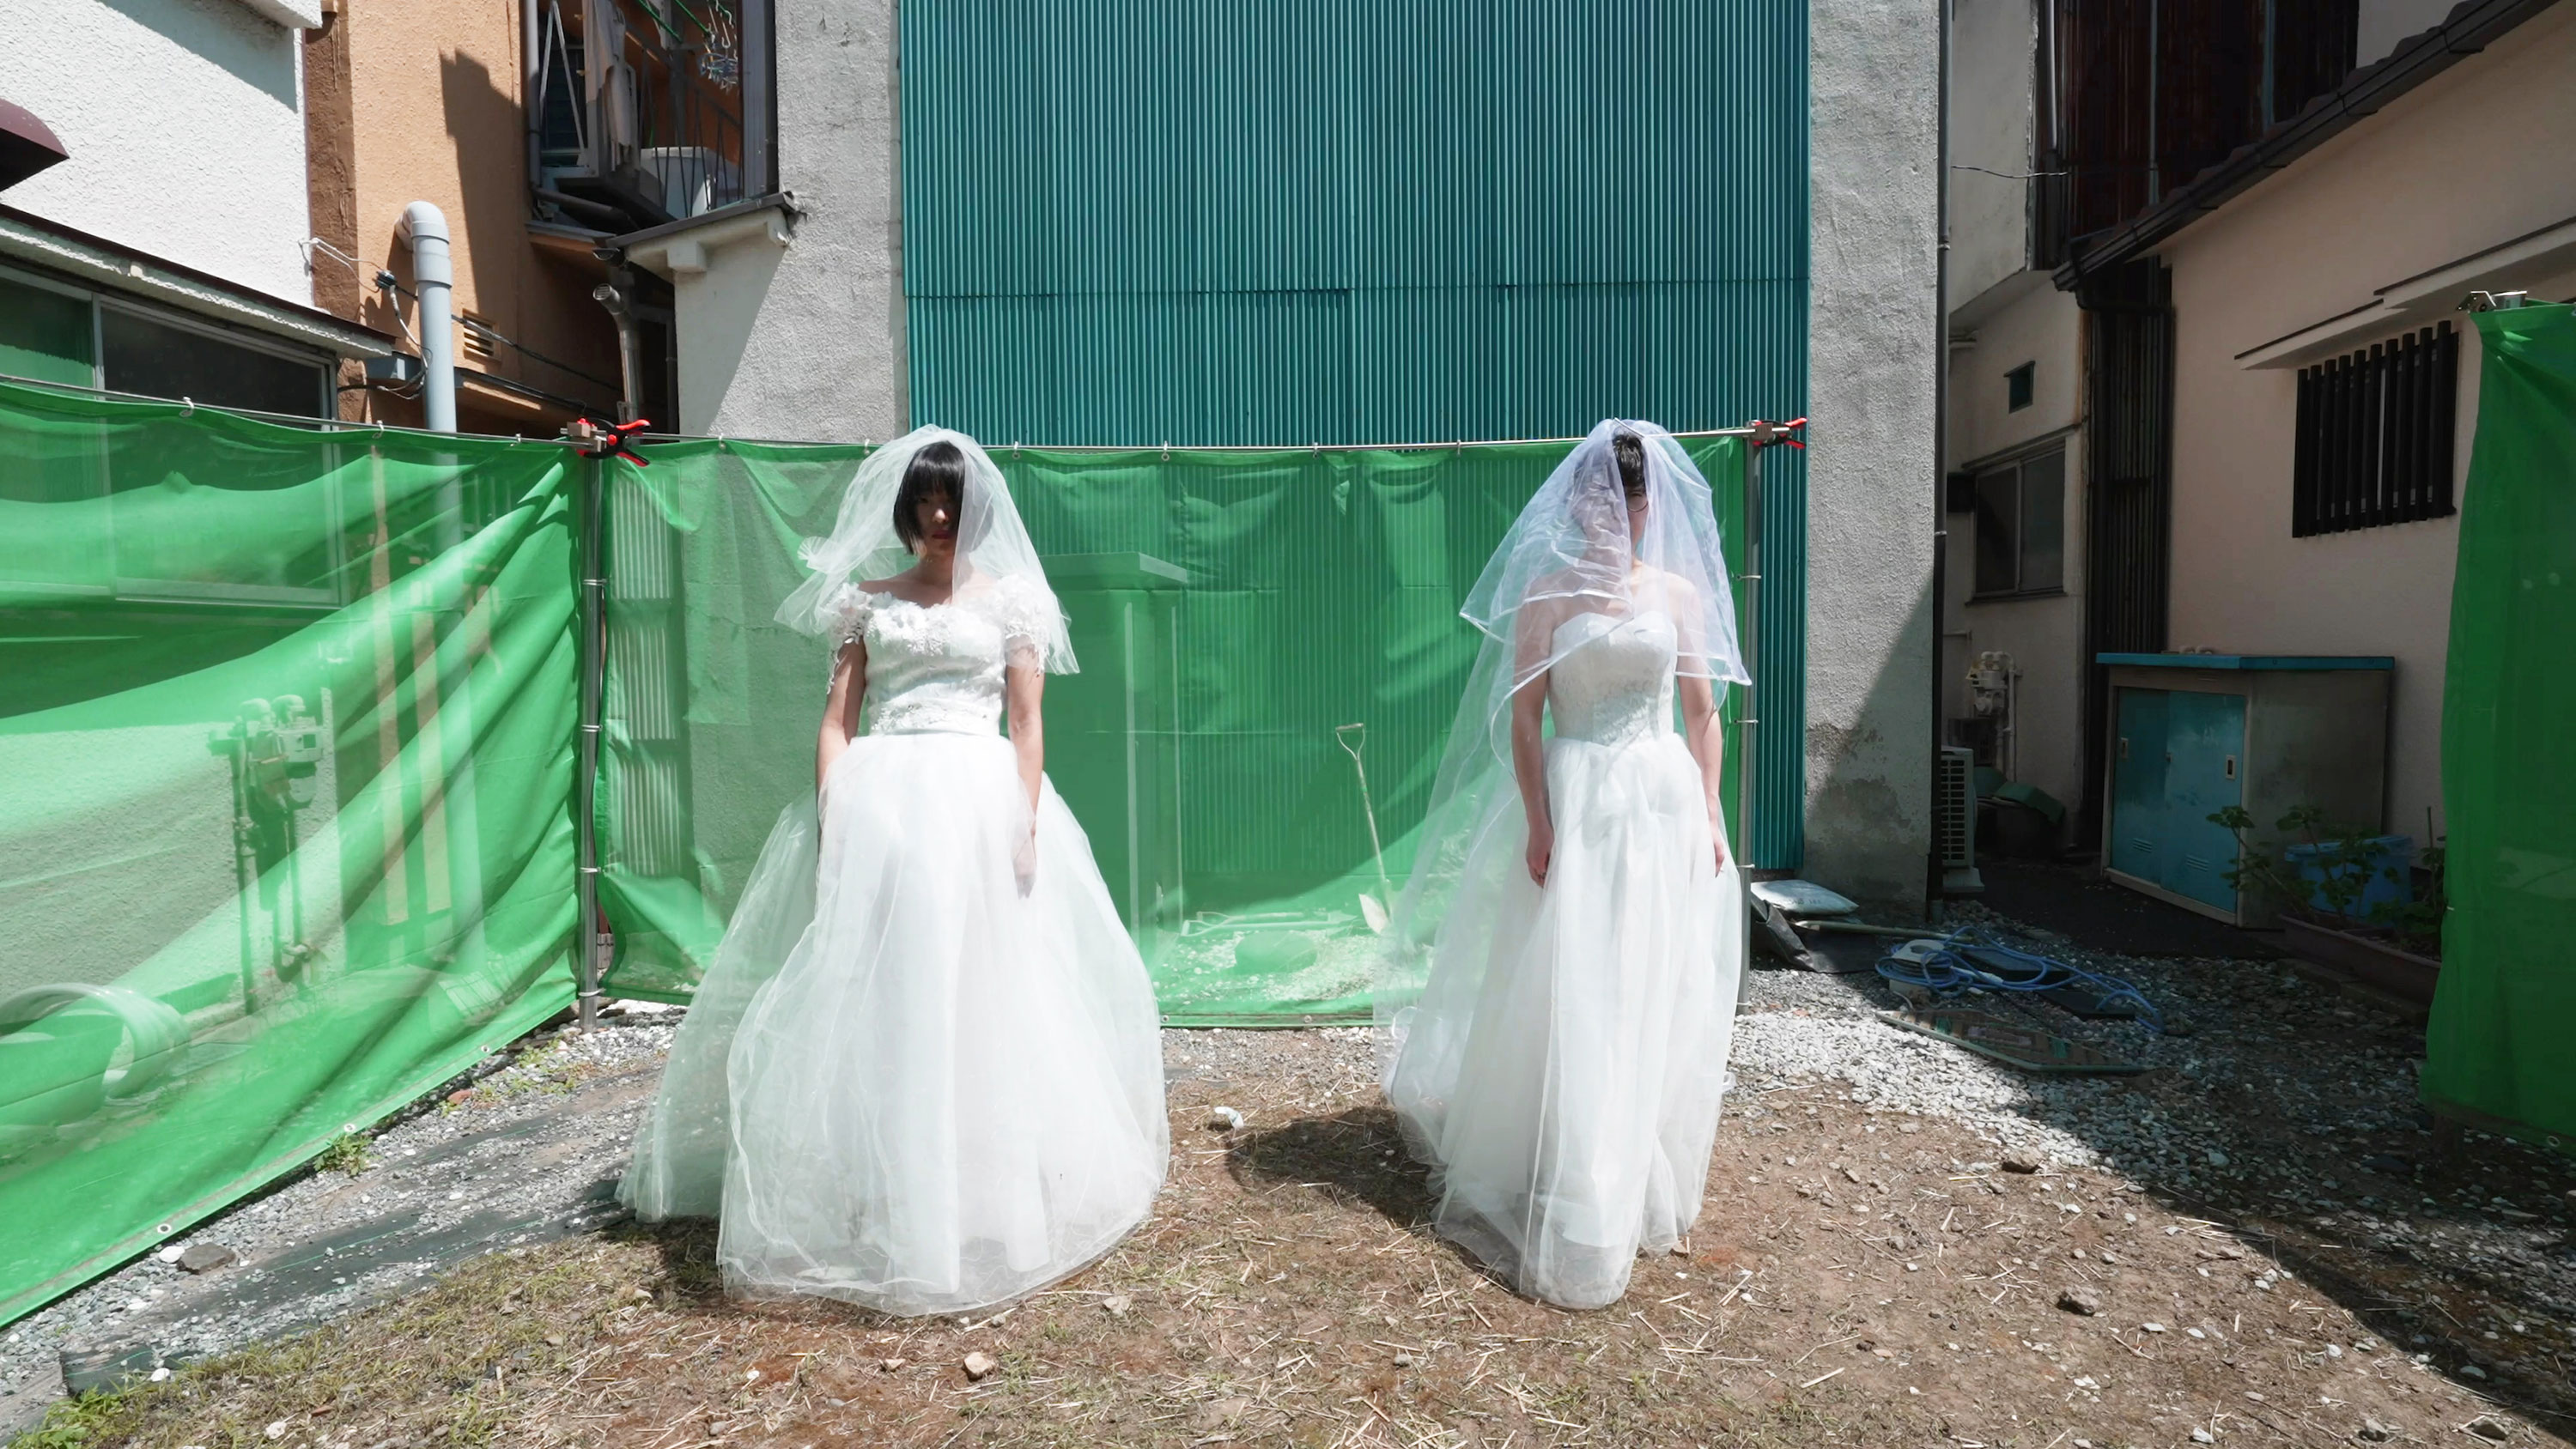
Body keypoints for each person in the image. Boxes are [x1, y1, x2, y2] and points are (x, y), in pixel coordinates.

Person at [620, 427, 1169, 1315]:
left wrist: (1023, 821)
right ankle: (885, 1189)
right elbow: (836, 718)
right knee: (887, 990)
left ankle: (991, 1195)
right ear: (904, 510)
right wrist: (838, 811)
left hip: (980, 800)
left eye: (950, 502)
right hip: (885, 805)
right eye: (921, 503)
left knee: (989, 989)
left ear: (976, 507)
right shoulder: (864, 600)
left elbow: (1027, 725)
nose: (938, 516)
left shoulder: (1015, 604)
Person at [1376, 419, 1749, 1310]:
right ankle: (1575, 1161)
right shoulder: (1545, 590)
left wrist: (1708, 809)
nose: (1608, 514)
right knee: (1576, 975)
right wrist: (1540, 821)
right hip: (1581, 797)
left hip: (1658, 801)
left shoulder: (1678, 593)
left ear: (1648, 502)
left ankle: (1632, 1144)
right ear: (1578, 502)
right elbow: (1522, 717)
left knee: (1648, 973)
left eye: (1625, 499)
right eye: (1593, 498)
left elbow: (1704, 713)